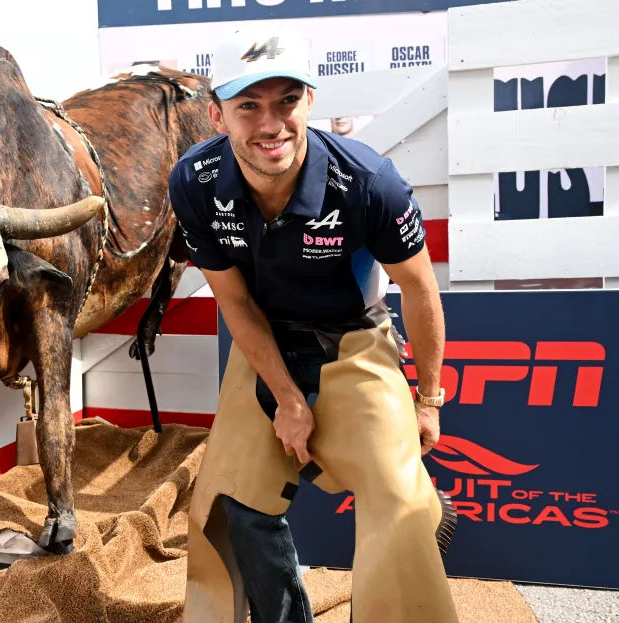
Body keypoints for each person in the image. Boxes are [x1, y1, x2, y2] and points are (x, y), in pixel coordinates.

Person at [171, 24, 460, 623]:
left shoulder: (369, 182)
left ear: (310, 101)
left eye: (287, 101)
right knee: (231, 500)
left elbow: (419, 289)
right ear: (217, 115)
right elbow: (236, 304)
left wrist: (428, 401)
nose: (270, 124)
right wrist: (287, 400)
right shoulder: (193, 182)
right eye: (248, 106)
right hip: (263, 338)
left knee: (400, 504)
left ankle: (423, 508)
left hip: (354, 337)